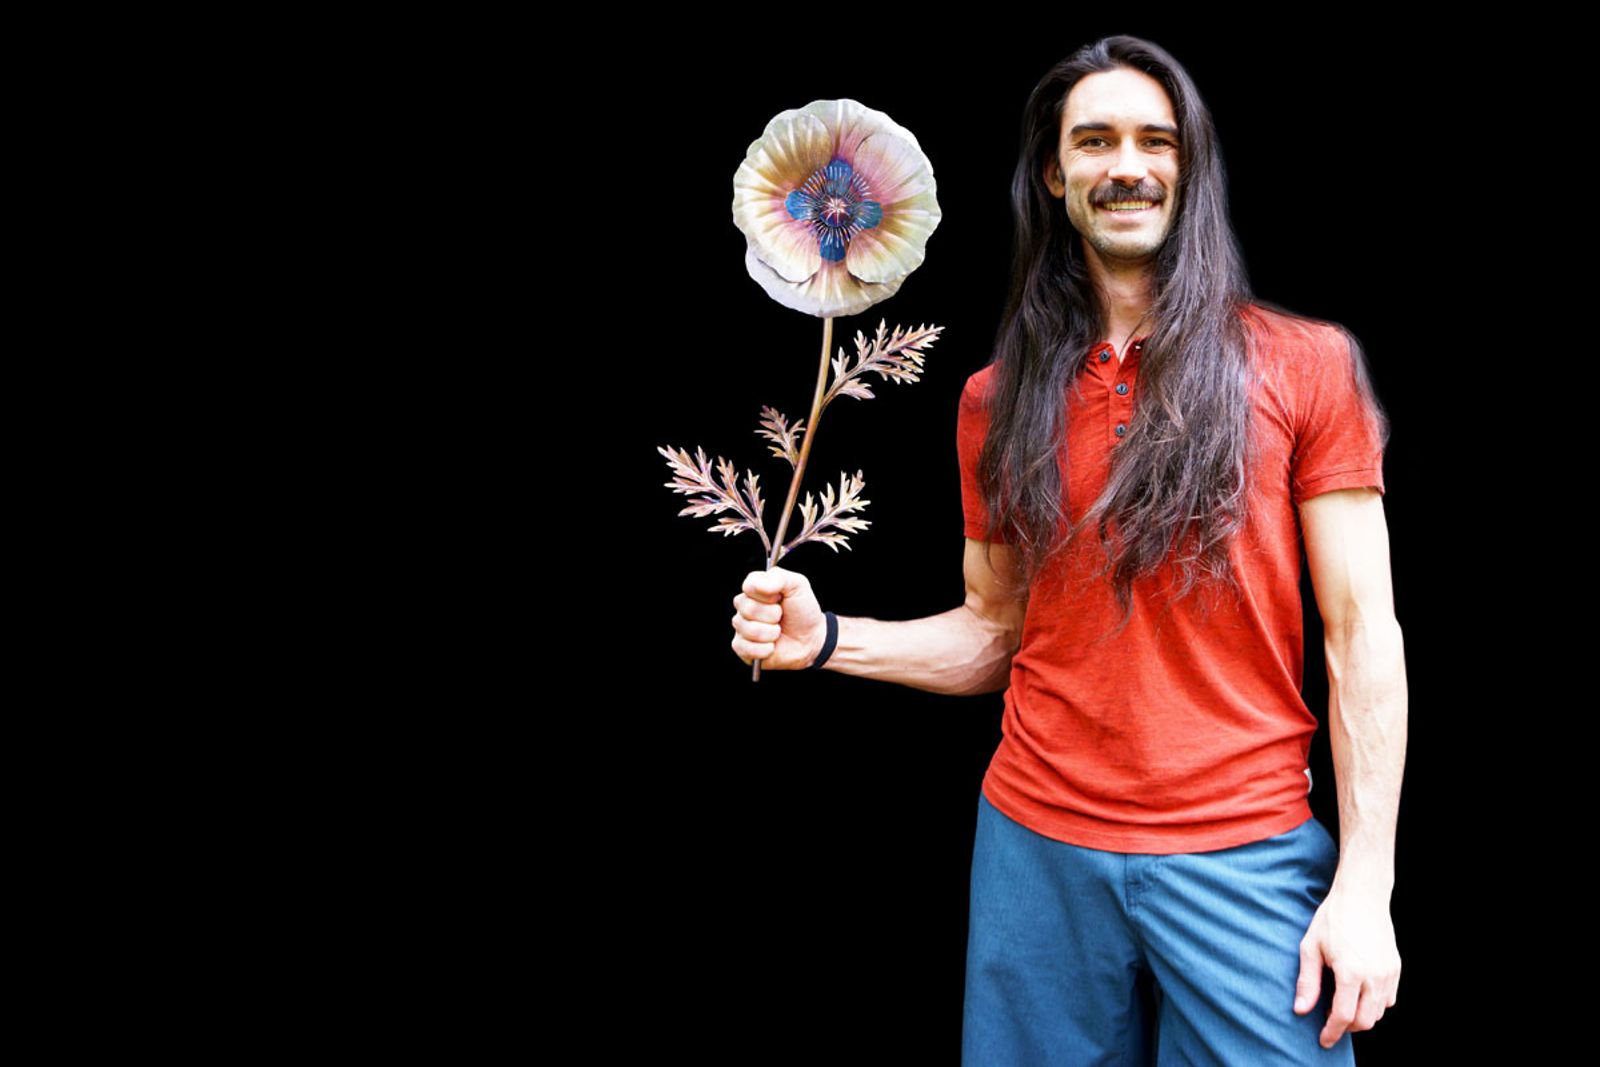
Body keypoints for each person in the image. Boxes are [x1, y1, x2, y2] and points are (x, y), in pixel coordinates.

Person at [730, 34, 1404, 1066]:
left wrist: (1364, 888)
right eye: (1092, 141)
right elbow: (995, 633)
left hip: (1245, 853)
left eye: (1152, 141)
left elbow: (1362, 639)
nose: (1124, 164)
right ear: (1054, 173)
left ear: (1187, 166)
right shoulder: (994, 401)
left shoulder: (1305, 367)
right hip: (1034, 849)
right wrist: (828, 639)